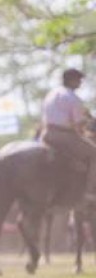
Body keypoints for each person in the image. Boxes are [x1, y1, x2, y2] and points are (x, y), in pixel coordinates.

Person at [40, 68, 96, 196]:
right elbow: (79, 125)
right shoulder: (72, 97)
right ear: (72, 80)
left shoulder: (52, 94)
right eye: (79, 80)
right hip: (63, 136)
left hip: (47, 134)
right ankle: (89, 192)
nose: (80, 83)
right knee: (94, 154)